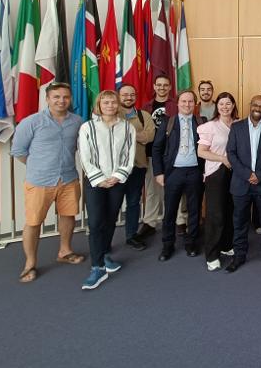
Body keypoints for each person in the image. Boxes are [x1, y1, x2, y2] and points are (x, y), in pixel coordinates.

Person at [10, 82, 85, 283]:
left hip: (69, 178)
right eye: (56, 97)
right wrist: (39, 166)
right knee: (34, 222)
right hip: (40, 181)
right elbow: (18, 151)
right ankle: (30, 263)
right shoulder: (31, 122)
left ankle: (65, 251)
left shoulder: (77, 121)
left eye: (65, 97)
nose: (61, 101)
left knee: (68, 216)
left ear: (70, 99)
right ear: (48, 99)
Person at [77, 91, 136, 290]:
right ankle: (97, 267)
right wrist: (100, 179)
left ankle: (104, 255)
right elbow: (85, 157)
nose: (110, 105)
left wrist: (117, 176)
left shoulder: (127, 127)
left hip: (117, 181)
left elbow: (129, 156)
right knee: (95, 223)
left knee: (111, 219)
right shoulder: (88, 127)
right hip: (95, 183)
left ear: (118, 104)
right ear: (99, 104)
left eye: (113, 101)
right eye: (105, 101)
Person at [225, 95, 261, 272]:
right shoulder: (236, 127)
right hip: (241, 183)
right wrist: (247, 174)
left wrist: (260, 175)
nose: (258, 108)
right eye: (255, 105)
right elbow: (231, 153)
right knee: (240, 222)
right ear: (250, 106)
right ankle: (239, 256)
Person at [151, 89, 205, 261]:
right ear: (177, 103)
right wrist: (159, 172)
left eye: (190, 102)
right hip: (173, 173)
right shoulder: (168, 122)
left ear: (195, 104)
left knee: (194, 210)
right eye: (184, 101)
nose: (187, 105)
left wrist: (205, 171)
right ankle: (168, 245)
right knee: (170, 211)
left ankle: (192, 243)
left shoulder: (201, 122)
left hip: (195, 172)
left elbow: (209, 147)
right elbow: (157, 148)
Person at [197, 92, 238, 271]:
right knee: (215, 214)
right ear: (217, 106)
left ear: (233, 105)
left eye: (228, 103)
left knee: (230, 210)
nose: (225, 107)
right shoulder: (210, 126)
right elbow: (202, 152)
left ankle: (227, 245)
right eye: (221, 104)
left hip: (235, 173)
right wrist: (222, 158)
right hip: (216, 173)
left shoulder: (239, 124)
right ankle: (212, 254)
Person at [136, 75, 178, 241]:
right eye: (159, 85)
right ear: (154, 86)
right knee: (152, 189)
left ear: (169, 87)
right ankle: (150, 222)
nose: (162, 88)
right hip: (153, 153)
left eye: (165, 85)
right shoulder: (146, 106)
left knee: (176, 188)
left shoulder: (176, 105)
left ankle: (180, 220)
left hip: (173, 154)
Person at [118, 84, 155, 251]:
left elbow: (148, 137)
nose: (128, 98)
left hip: (138, 167)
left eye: (132, 95)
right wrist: (136, 135)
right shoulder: (111, 113)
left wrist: (125, 133)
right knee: (112, 205)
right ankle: (104, 240)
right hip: (115, 169)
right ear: (118, 96)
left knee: (134, 202)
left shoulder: (144, 115)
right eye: (125, 94)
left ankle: (131, 236)